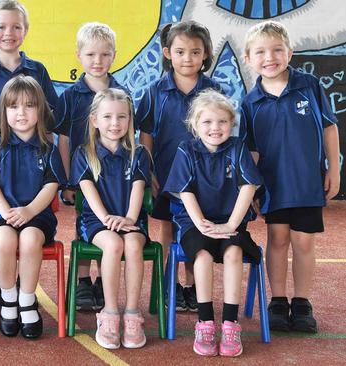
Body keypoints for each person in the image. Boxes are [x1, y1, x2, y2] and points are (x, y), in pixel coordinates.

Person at [241, 20, 340, 333]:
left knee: (304, 242)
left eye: (276, 50)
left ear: (290, 52)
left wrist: (334, 169)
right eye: (260, 52)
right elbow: (252, 150)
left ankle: (302, 302)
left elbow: (329, 126)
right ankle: (278, 302)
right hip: (274, 185)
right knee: (277, 240)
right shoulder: (250, 102)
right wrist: (252, 190)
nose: (269, 57)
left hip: (307, 182)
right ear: (248, 59)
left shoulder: (309, 85)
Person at [0, 0, 59, 307]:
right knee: (0, 219)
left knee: (29, 225)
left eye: (16, 26)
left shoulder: (38, 71)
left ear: (25, 31)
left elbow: (48, 115)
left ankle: (24, 286)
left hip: (31, 161)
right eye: (2, 26)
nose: (9, 33)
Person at [164, 90, 263, 357]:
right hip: (196, 222)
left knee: (233, 253)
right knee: (203, 256)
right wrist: (203, 224)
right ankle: (205, 322)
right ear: (195, 125)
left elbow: (248, 187)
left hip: (231, 221)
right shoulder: (187, 149)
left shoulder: (237, 148)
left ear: (231, 124)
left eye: (221, 122)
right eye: (207, 122)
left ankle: (230, 323)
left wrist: (231, 224)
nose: (215, 128)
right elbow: (185, 191)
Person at [136, 20, 221, 312]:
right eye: (181, 51)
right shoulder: (155, 91)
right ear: (168, 53)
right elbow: (145, 133)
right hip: (166, 174)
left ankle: (193, 286)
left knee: (195, 229)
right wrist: (148, 171)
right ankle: (168, 286)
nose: (188, 58)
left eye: (196, 52)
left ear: (205, 55)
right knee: (169, 231)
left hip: (203, 179)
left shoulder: (213, 89)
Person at [0, 75, 66, 339]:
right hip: (0, 213)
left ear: (40, 110)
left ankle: (27, 300)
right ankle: (8, 298)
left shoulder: (48, 148)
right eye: (14, 107)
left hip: (37, 215)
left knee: (29, 239)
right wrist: (5, 212)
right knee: (3, 240)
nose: (21, 113)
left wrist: (28, 211)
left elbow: (51, 186)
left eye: (29, 106)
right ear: (4, 111)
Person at [54, 22, 132, 312]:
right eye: (90, 55)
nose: (97, 61)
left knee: (109, 219)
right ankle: (83, 280)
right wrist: (68, 180)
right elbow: (62, 139)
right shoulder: (70, 97)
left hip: (114, 174)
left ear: (113, 56)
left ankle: (102, 280)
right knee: (84, 224)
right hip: (82, 174)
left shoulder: (122, 94)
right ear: (78, 56)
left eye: (104, 55)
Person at [70, 88, 151, 350]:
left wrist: (128, 218)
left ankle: (131, 313)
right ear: (95, 120)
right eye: (107, 117)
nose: (115, 123)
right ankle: (110, 312)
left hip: (131, 220)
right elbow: (88, 192)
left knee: (133, 245)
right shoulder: (84, 154)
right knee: (114, 244)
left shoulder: (138, 154)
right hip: (97, 222)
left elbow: (138, 188)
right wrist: (107, 219)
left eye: (121, 117)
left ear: (130, 120)